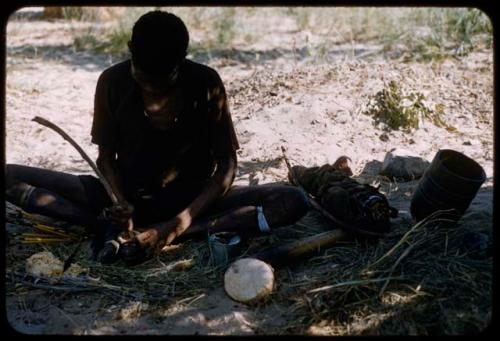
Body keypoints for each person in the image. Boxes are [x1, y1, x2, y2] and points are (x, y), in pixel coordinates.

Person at [5, 11, 310, 264]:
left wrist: (175, 226)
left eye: (163, 83)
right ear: (129, 50)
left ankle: (171, 232)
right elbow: (105, 158)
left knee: (292, 200)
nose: (152, 94)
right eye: (143, 79)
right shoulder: (111, 81)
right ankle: (104, 225)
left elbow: (227, 166)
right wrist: (119, 201)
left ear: (182, 61)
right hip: (126, 195)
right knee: (8, 176)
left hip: (192, 200)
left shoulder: (206, 83)